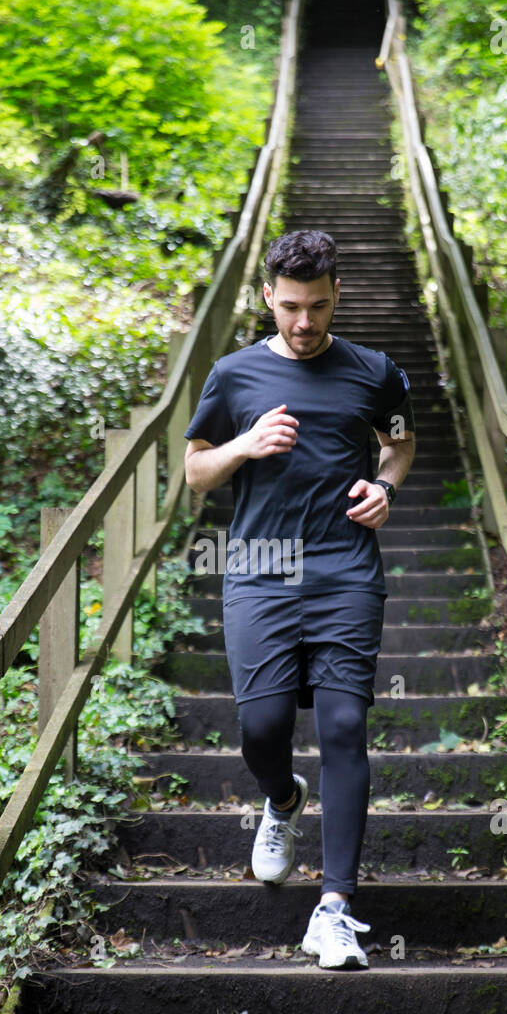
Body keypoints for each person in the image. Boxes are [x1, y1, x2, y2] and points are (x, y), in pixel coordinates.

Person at [183, 230, 415, 969]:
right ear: (266, 298)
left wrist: (383, 486)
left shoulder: (376, 372)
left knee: (345, 724)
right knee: (262, 725)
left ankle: (335, 906)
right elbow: (195, 473)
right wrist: (244, 446)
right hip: (259, 569)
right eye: (289, 307)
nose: (304, 323)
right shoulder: (233, 374)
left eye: (317, 306)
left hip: (346, 569)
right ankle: (282, 800)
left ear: (337, 294)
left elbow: (400, 443)